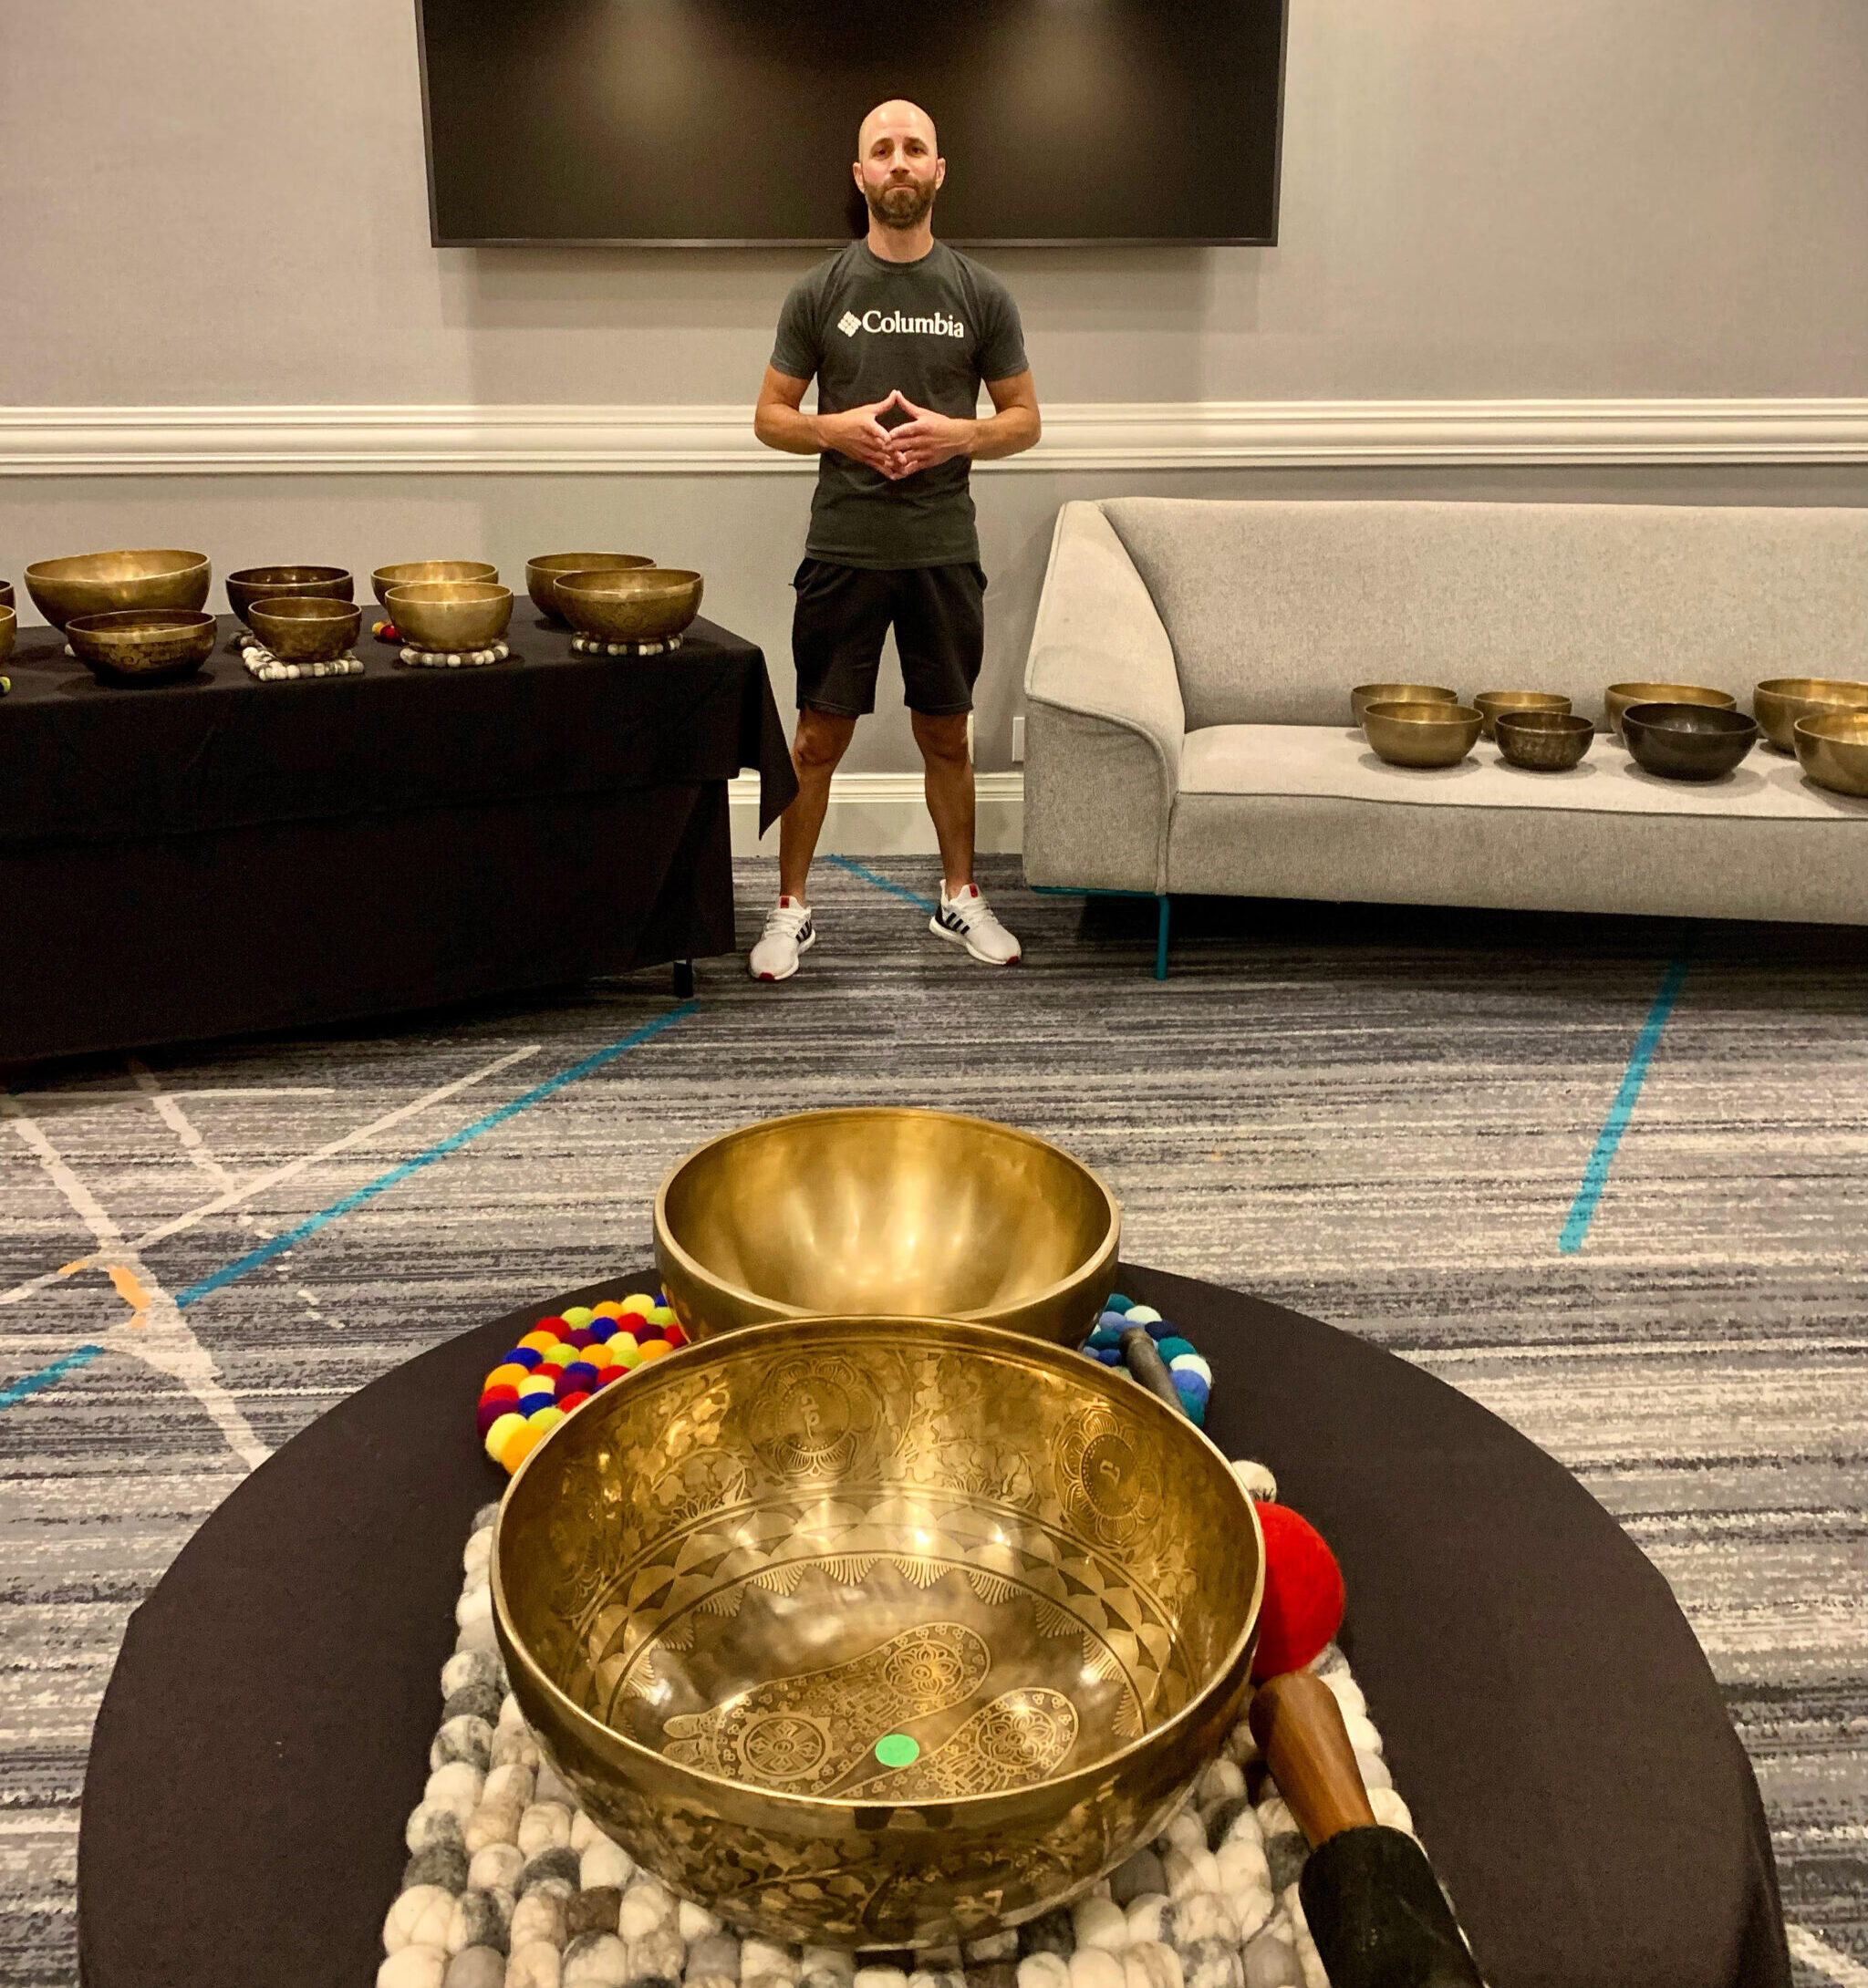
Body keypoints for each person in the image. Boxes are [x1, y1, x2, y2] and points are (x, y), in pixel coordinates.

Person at [749, 98, 1042, 982]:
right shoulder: (819, 292)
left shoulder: (980, 293)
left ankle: (959, 897)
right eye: (882, 149)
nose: (900, 161)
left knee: (946, 736)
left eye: (915, 147)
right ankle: (789, 909)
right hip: (843, 549)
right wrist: (831, 429)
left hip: (941, 550)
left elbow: (1024, 417)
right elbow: (768, 416)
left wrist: (961, 435)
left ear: (937, 171)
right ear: (860, 176)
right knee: (814, 741)